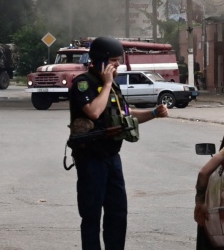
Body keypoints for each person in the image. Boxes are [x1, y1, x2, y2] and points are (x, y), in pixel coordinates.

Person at [68, 36, 169, 250]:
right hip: (91, 159)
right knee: (92, 215)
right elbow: (94, 112)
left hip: (112, 158)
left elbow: (126, 114)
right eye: (114, 60)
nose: (118, 65)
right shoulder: (83, 84)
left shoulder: (112, 86)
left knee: (117, 213)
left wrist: (153, 113)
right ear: (101, 61)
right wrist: (105, 84)